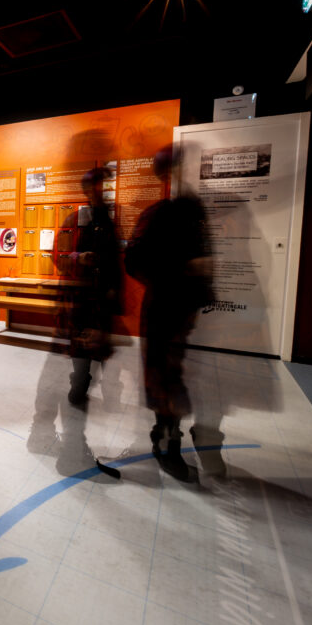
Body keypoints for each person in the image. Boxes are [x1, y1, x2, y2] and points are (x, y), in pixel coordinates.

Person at [125, 147, 215, 482]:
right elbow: (134, 261)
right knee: (166, 380)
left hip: (185, 312)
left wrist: (203, 289)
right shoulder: (158, 214)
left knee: (180, 378)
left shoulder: (192, 210)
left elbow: (204, 254)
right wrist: (184, 269)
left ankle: (171, 437)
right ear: (167, 173)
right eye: (179, 166)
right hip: (164, 312)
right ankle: (165, 442)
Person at [67, 166, 123, 407]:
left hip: (99, 291)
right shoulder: (89, 218)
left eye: (99, 185)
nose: (98, 190)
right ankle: (81, 385)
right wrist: (79, 257)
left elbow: (112, 258)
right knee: (84, 344)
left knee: (99, 344)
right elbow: (70, 253)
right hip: (86, 291)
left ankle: (103, 389)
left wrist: (111, 290)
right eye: (94, 186)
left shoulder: (104, 220)